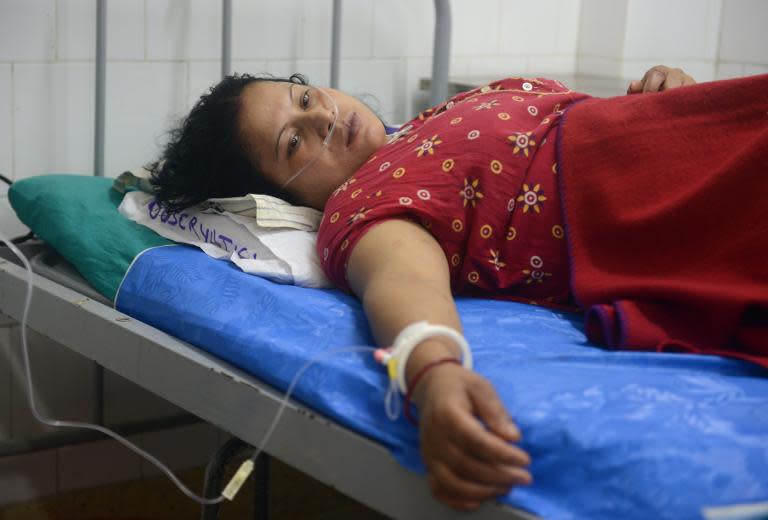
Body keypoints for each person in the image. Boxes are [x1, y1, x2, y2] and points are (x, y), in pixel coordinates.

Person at [151, 66, 767, 511]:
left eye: (306, 96)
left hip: (680, 134)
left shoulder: (429, 121)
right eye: (295, 142)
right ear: (282, 199)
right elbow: (403, 281)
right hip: (638, 199)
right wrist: (435, 373)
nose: (324, 117)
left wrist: (660, 95)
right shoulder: (361, 210)